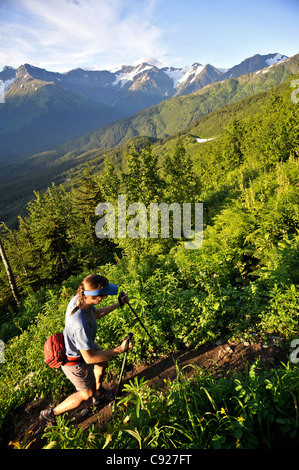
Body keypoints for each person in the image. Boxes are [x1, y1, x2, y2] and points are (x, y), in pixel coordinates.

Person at [40, 273, 133, 425]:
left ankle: (99, 394)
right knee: (85, 393)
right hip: (74, 359)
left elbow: (95, 314)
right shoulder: (80, 324)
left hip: (82, 345)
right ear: (95, 296)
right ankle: (51, 413)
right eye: (104, 295)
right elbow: (89, 358)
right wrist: (119, 349)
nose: (106, 297)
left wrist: (118, 304)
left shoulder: (81, 299)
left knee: (102, 363)